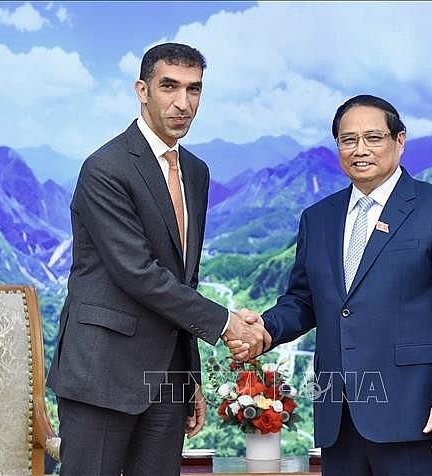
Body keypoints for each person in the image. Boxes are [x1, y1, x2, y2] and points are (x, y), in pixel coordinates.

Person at [46, 43, 269, 475]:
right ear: (142, 90)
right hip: (102, 372)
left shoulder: (197, 172)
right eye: (169, 86)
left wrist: (190, 378)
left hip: (166, 378)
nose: (182, 103)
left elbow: (183, 282)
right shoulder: (106, 167)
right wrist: (227, 325)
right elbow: (137, 273)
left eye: (194, 89)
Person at [253, 95, 432, 475]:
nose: (360, 150)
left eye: (373, 138)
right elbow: (304, 300)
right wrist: (262, 329)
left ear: (400, 140)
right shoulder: (318, 218)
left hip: (419, 417)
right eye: (348, 140)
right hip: (338, 419)